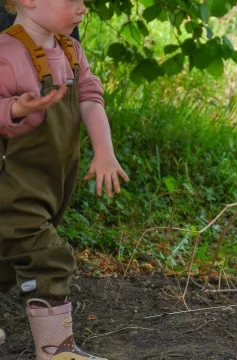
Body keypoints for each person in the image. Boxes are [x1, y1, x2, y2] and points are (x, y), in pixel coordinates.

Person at [0, 0, 128, 359]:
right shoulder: (6, 53)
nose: (82, 8)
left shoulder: (71, 50)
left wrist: (103, 150)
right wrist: (14, 108)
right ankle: (57, 352)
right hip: (12, 186)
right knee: (48, 259)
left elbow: (89, 97)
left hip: (50, 187)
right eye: (72, 0)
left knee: (5, 263)